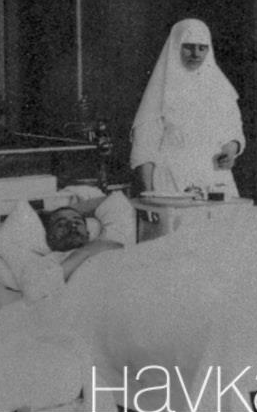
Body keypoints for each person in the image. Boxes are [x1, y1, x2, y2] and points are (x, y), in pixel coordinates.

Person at [131, 19, 246, 198]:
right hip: (171, 182)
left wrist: (230, 151)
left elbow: (233, 131)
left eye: (202, 48)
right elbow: (144, 148)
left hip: (214, 179)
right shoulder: (160, 90)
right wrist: (149, 195)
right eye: (189, 47)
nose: (196, 54)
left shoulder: (220, 88)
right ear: (176, 46)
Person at [42, 205, 126, 282]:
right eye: (61, 224)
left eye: (77, 222)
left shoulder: (104, 242)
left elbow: (114, 203)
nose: (72, 225)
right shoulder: (49, 260)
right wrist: (86, 251)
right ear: (50, 238)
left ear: (88, 234)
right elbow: (51, 283)